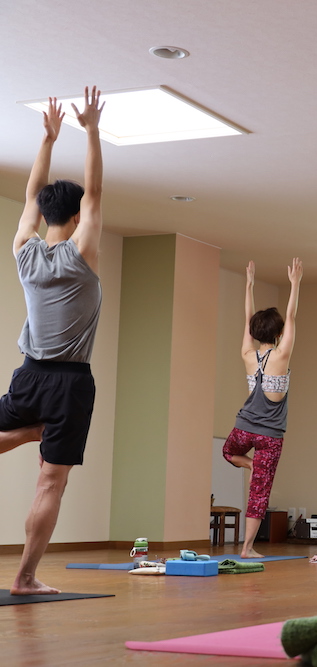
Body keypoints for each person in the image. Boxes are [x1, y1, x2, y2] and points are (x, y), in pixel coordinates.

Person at [0, 89, 103, 594]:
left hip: (29, 374)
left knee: (36, 462)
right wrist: (93, 131)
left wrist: (48, 139)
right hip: (70, 384)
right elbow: (95, 192)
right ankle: (24, 578)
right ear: (79, 215)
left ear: (44, 215)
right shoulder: (82, 253)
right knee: (51, 483)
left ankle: (24, 432)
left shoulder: (25, 250)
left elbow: (30, 196)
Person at [222, 258, 302, 559]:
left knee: (228, 452)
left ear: (255, 334)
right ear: (279, 335)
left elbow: (247, 319)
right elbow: (291, 316)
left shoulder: (247, 354)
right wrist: (295, 284)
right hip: (270, 436)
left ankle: (251, 465)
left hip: (243, 428)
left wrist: (249, 285)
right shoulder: (281, 356)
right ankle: (247, 548)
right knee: (259, 491)